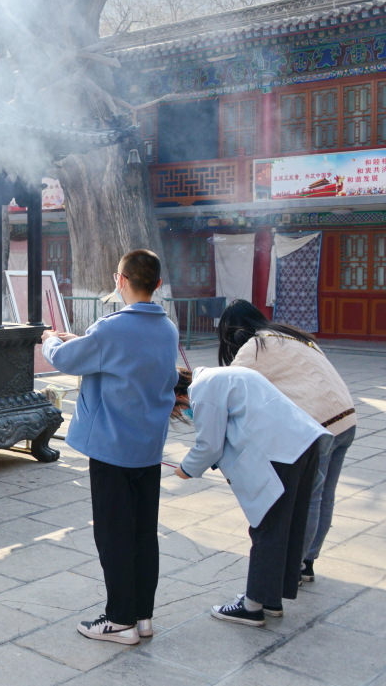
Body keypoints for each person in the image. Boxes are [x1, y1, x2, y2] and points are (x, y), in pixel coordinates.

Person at [41, 249, 179, 645]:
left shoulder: (112, 327)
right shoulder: (166, 328)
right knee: (142, 533)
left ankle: (119, 619)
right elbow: (126, 361)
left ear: (121, 281)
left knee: (113, 534)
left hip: (112, 448)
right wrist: (82, 341)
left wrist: (51, 339)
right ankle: (142, 615)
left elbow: (67, 359)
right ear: (155, 284)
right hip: (148, 447)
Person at [172, 366, 330, 626]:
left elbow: (209, 444)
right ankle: (271, 598)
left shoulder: (203, 390)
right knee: (287, 526)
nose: (184, 412)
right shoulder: (222, 375)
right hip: (302, 443)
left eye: (179, 409)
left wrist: (187, 468)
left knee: (267, 527)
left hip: (281, 451)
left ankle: (252, 606)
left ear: (177, 396)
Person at [216, 300, 356, 584]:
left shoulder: (256, 346)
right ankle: (308, 561)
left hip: (319, 426)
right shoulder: (292, 335)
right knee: (325, 495)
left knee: (311, 498)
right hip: (346, 419)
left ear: (233, 331)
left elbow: (226, 386)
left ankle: (296, 567)